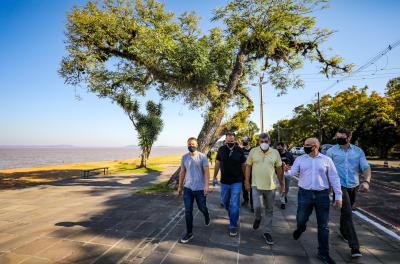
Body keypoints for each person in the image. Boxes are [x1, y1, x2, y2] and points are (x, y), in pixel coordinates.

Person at [291, 138, 342, 264]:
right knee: (301, 218)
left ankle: (323, 253)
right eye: (304, 145)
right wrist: (286, 170)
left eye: (307, 145)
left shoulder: (326, 160)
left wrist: (338, 196)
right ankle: (300, 227)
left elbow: (334, 178)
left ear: (315, 146)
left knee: (323, 226)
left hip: (322, 195)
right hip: (304, 194)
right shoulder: (300, 159)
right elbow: (292, 172)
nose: (305, 147)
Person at [326, 128, 371, 258]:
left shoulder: (358, 151)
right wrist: (328, 187)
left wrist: (366, 181)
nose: (339, 139)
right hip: (338, 186)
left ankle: (343, 230)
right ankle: (355, 247)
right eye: (337, 137)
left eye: (342, 136)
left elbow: (365, 167)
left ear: (349, 137)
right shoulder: (331, 151)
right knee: (348, 213)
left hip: (354, 186)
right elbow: (326, 169)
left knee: (347, 211)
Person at [245, 133, 285, 245]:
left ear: (269, 142)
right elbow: (248, 166)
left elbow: (279, 169)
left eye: (266, 141)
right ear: (258, 142)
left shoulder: (275, 152)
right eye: (261, 141)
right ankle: (258, 218)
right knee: (257, 207)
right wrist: (246, 181)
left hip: (271, 187)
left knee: (269, 210)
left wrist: (282, 185)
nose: (264, 143)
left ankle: (267, 232)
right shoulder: (253, 151)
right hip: (256, 185)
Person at [178, 137, 211, 243]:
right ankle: (189, 232)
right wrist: (180, 186)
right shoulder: (184, 157)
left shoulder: (202, 157)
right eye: (189, 144)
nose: (191, 146)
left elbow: (206, 172)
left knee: (202, 207)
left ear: (197, 145)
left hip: (200, 188)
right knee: (188, 211)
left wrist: (207, 186)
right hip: (188, 188)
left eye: (193, 144)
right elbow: (182, 172)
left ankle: (206, 214)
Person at [214, 131, 246, 237]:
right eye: (228, 137)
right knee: (225, 202)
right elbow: (217, 163)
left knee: (234, 204)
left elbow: (243, 164)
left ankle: (233, 225)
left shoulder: (239, 150)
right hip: (224, 181)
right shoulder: (221, 149)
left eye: (232, 138)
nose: (230, 139)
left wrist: (245, 178)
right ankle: (232, 214)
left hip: (237, 181)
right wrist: (214, 176)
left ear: (235, 139)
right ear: (226, 139)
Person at [276, 142, 295, 209]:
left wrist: (288, 167)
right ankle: (282, 201)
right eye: (278, 148)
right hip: (279, 173)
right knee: (282, 186)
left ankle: (285, 196)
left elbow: (294, 164)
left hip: (287, 173)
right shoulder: (276, 154)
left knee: (286, 187)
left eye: (280, 148)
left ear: (284, 147)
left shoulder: (289, 154)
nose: (279, 149)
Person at [241, 136, 253, 211]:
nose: (245, 141)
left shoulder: (253, 150)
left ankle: (252, 204)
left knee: (252, 188)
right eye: (244, 140)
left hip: (252, 172)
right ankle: (246, 200)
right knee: (244, 187)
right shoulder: (241, 150)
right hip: (243, 171)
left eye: (246, 140)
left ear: (249, 141)